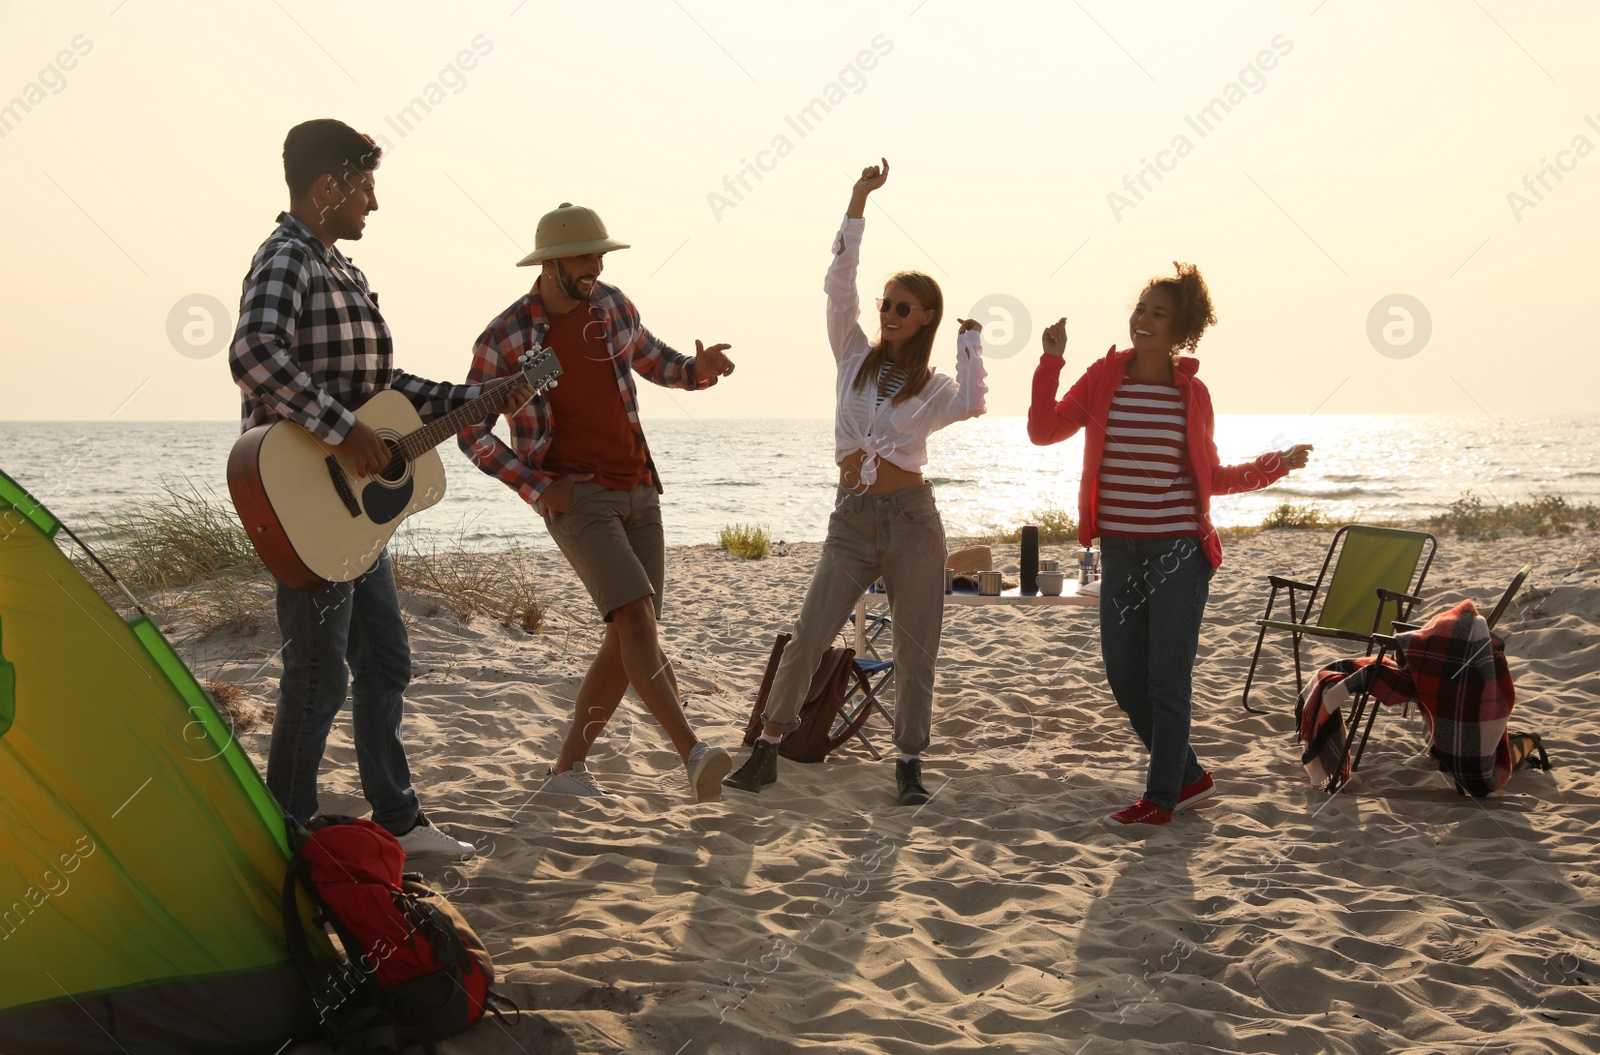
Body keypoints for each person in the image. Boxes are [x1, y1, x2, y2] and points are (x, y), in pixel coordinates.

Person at [231, 119, 529, 857]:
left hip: (354, 516)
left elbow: (385, 391)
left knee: (386, 660)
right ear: (327, 185)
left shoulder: (345, 272)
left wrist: (478, 396)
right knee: (316, 676)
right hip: (305, 508)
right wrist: (340, 429)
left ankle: (397, 818)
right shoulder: (285, 260)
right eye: (364, 187)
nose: (373, 203)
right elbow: (252, 352)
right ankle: (288, 830)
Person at [724, 159, 987, 806]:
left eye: (903, 307)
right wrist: (857, 200)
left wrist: (971, 341)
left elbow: (975, 402)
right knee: (810, 633)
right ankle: (767, 749)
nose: (889, 312)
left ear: (925, 316)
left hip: (911, 524)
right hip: (851, 521)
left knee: (914, 646)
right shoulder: (850, 353)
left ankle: (907, 761)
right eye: (886, 304)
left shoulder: (935, 389)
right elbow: (838, 281)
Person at [458, 202, 735, 803]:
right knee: (635, 619)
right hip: (576, 496)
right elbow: (471, 431)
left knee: (628, 633)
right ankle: (693, 752)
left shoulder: (611, 304)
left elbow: (656, 360)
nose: (596, 266)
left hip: (640, 487)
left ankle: (566, 771)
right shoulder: (506, 336)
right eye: (585, 256)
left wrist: (698, 369)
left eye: (600, 255)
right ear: (552, 263)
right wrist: (536, 487)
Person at [1027, 264, 1313, 826]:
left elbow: (1214, 475)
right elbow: (1043, 430)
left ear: (1180, 331)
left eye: (1159, 314)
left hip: (1179, 552)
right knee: (1124, 675)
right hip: (1118, 550)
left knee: (1166, 677)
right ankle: (1188, 775)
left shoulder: (1192, 393)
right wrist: (1050, 361)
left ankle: (1161, 798)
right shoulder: (1103, 378)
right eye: (1140, 308)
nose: (1143, 320)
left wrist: (1275, 465)